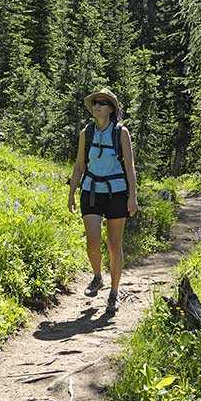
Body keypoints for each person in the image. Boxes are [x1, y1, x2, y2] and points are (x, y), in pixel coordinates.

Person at [68, 87, 138, 314]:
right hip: (90, 190)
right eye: (95, 102)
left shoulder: (121, 133)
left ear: (111, 109)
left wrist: (132, 197)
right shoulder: (86, 133)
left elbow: (129, 166)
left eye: (102, 102)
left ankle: (114, 293)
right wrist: (71, 193)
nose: (97, 105)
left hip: (116, 192)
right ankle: (97, 276)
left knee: (114, 244)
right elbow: (79, 165)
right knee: (93, 242)